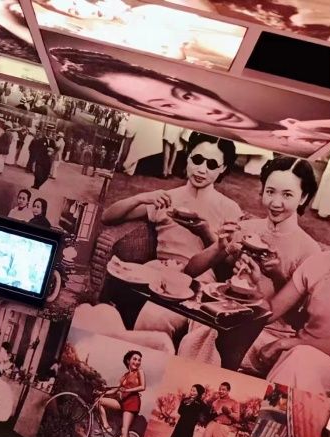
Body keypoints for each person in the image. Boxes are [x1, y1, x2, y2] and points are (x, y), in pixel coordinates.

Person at [48, 47, 330, 156]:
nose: (203, 110)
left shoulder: (296, 121)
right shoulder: (288, 140)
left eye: (186, 96)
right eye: (168, 107)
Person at [102, 133, 242, 347]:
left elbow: (231, 263)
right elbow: (108, 217)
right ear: (188, 157)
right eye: (197, 160)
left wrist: (205, 232)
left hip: (198, 282)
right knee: (108, 308)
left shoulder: (229, 208)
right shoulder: (168, 198)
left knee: (155, 316)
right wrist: (140, 197)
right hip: (157, 271)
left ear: (222, 169)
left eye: (212, 164)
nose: (202, 169)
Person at [186, 156, 322, 369]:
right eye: (270, 191)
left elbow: (300, 320)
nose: (275, 203)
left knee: (214, 338)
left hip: (269, 332)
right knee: (204, 330)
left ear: (303, 197)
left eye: (287, 195)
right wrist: (219, 246)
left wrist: (278, 276)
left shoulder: (310, 250)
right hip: (227, 316)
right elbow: (190, 271)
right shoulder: (247, 229)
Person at [235, 189, 330, 395]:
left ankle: (266, 413)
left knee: (300, 360)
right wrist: (254, 285)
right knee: (218, 337)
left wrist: (285, 343)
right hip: (294, 349)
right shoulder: (319, 262)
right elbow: (271, 312)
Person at [97, 350, 146, 437]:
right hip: (122, 402)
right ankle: (106, 426)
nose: (137, 362)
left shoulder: (140, 372)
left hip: (132, 402)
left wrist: (127, 390)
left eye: (139, 360)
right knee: (100, 401)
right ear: (128, 361)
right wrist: (103, 392)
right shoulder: (124, 375)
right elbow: (116, 390)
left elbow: (143, 387)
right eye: (134, 359)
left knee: (125, 430)